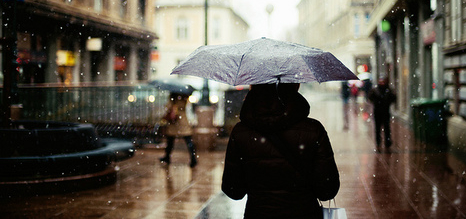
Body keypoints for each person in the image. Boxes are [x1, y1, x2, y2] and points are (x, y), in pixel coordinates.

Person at [222, 83, 340, 218]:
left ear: (253, 86)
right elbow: (328, 190)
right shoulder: (314, 130)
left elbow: (233, 190)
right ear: (295, 86)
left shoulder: (240, 132)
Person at [160, 92, 197, 168]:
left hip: (175, 122)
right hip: (183, 120)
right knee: (188, 140)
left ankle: (167, 157)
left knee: (170, 141)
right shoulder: (184, 96)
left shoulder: (173, 98)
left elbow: (168, 107)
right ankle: (193, 158)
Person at [367, 77, 396, 152]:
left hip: (385, 111)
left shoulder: (388, 90)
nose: (382, 83)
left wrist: (387, 102)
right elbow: (370, 97)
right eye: (380, 81)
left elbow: (393, 98)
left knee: (387, 127)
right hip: (377, 111)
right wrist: (376, 102)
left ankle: (387, 141)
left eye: (383, 81)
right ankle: (378, 141)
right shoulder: (375, 90)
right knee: (378, 128)